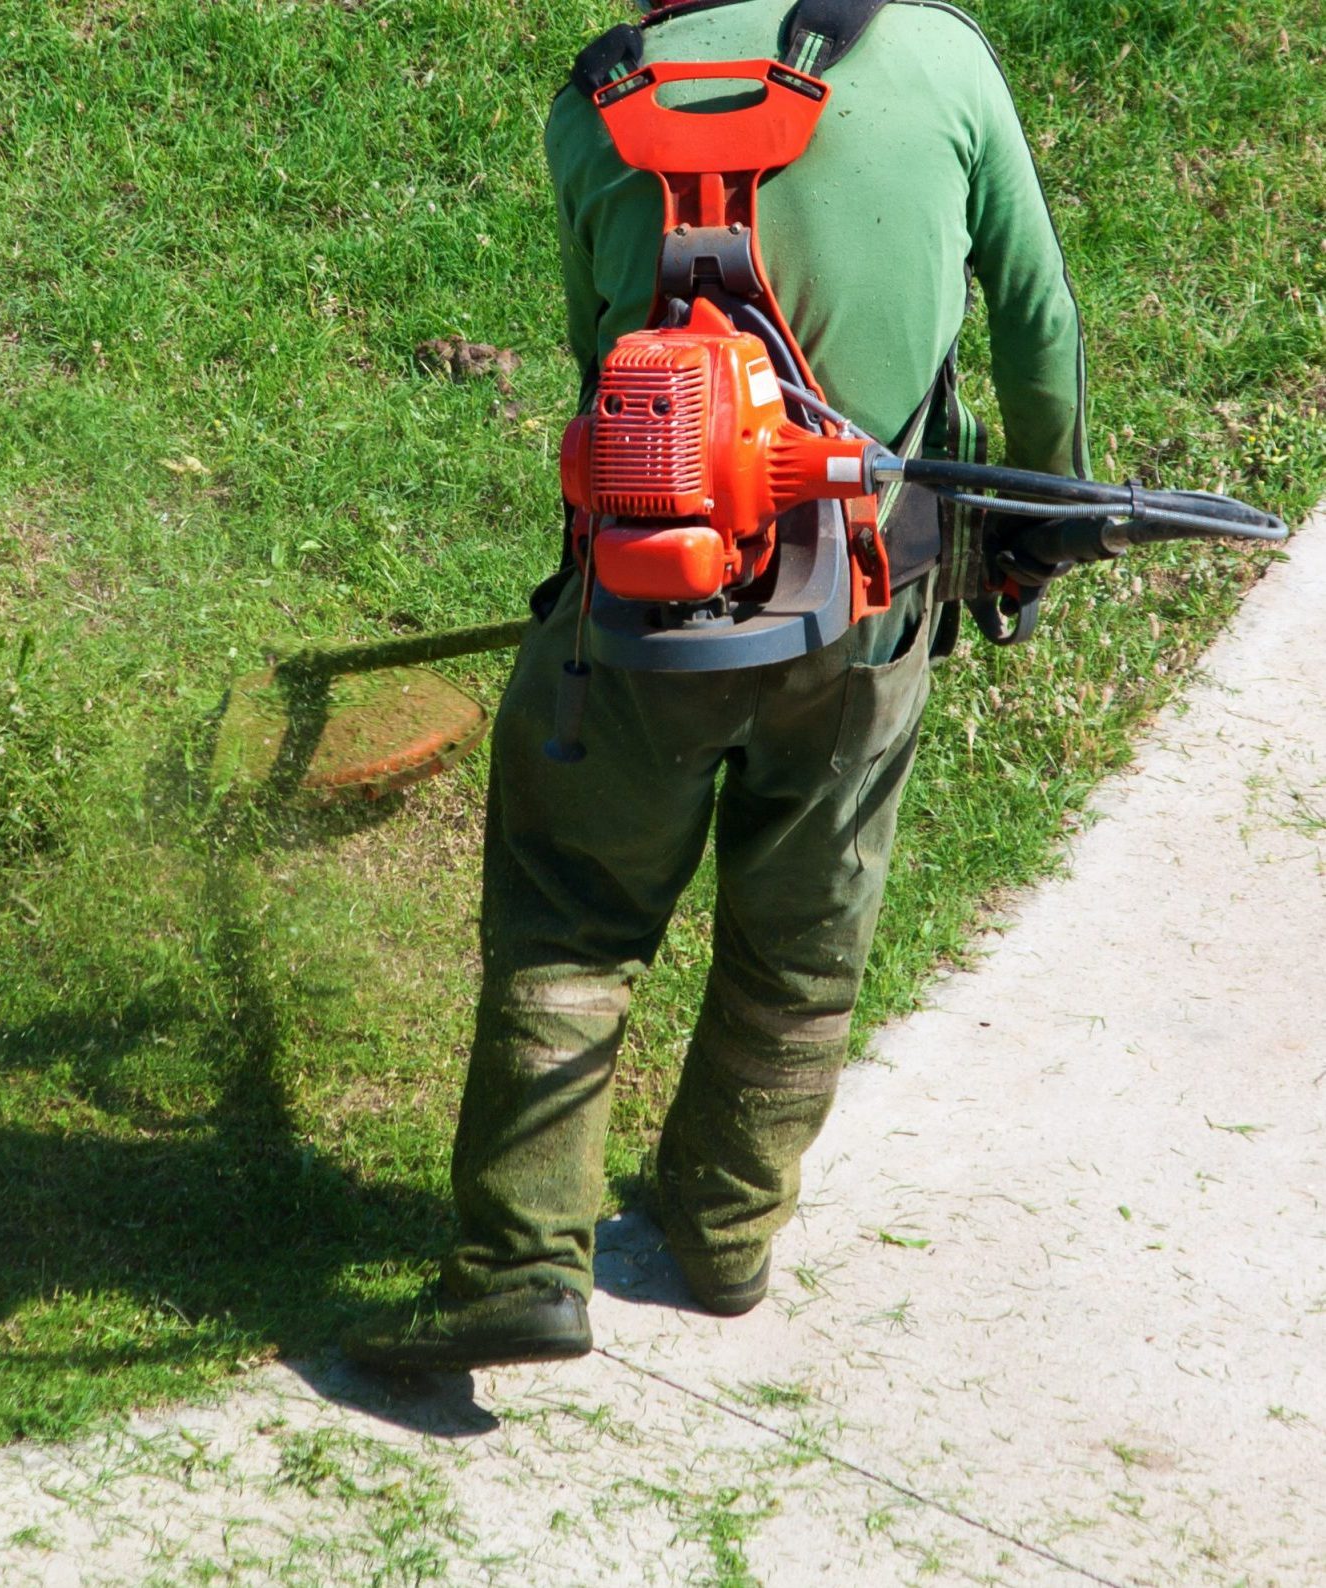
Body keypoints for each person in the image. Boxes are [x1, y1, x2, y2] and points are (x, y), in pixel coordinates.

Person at [343, 0, 1087, 1372]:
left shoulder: (594, 102)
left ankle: (519, 1265)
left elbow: (601, 361)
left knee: (571, 919)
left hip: (635, 617)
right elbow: (1039, 324)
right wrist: (1038, 517)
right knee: (806, 930)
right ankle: (725, 1231)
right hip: (866, 614)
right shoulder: (937, 59)